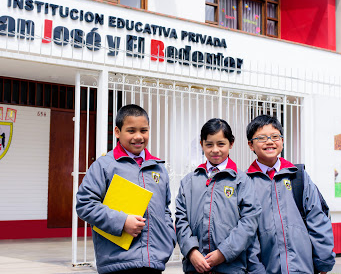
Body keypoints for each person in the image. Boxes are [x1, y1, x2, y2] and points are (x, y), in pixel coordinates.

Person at [76, 104, 175, 274]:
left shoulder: (159, 168)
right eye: (131, 131)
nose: (138, 136)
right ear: (117, 132)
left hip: (154, 262)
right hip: (117, 263)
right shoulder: (104, 165)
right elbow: (85, 205)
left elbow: (165, 210)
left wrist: (168, 240)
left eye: (144, 130)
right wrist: (122, 222)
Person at [245, 115, 335, 274]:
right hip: (266, 268)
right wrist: (255, 268)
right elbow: (246, 232)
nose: (269, 141)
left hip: (303, 266)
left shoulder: (298, 176)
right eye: (261, 138)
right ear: (250, 145)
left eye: (275, 136)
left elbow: (318, 217)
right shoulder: (246, 182)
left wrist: (324, 260)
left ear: (282, 140)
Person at [176, 118, 262, 273]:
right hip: (195, 267)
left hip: (231, 267)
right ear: (202, 144)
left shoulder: (242, 181)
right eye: (209, 144)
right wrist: (192, 252)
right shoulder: (189, 182)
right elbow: (181, 220)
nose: (215, 150)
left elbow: (249, 221)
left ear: (231, 143)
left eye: (221, 144)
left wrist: (224, 252)